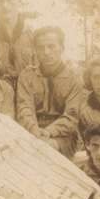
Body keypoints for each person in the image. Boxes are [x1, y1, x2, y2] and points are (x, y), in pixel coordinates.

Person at [17, 26, 83, 159]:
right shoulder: (27, 75)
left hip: (62, 135)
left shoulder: (74, 78)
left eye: (51, 46)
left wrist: (48, 132)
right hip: (32, 131)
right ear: (35, 51)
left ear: (62, 48)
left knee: (48, 150)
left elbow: (71, 116)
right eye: (41, 48)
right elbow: (24, 108)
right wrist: (34, 131)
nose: (46, 52)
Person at [0, 0, 37, 100]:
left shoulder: (33, 35)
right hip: (2, 96)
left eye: (10, 0)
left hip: (31, 95)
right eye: (0, 1)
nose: (5, 6)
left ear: (19, 2)